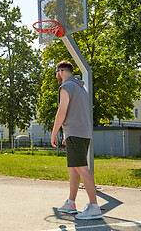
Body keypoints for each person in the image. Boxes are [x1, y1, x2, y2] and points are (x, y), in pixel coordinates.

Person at [51, 60, 102, 220]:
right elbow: (78, 112)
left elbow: (62, 111)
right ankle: (71, 203)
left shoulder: (66, 86)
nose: (57, 76)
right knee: (73, 168)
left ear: (61, 71)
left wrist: (54, 133)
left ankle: (94, 206)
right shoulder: (81, 88)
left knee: (81, 167)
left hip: (75, 132)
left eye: (56, 73)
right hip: (81, 132)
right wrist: (67, 133)